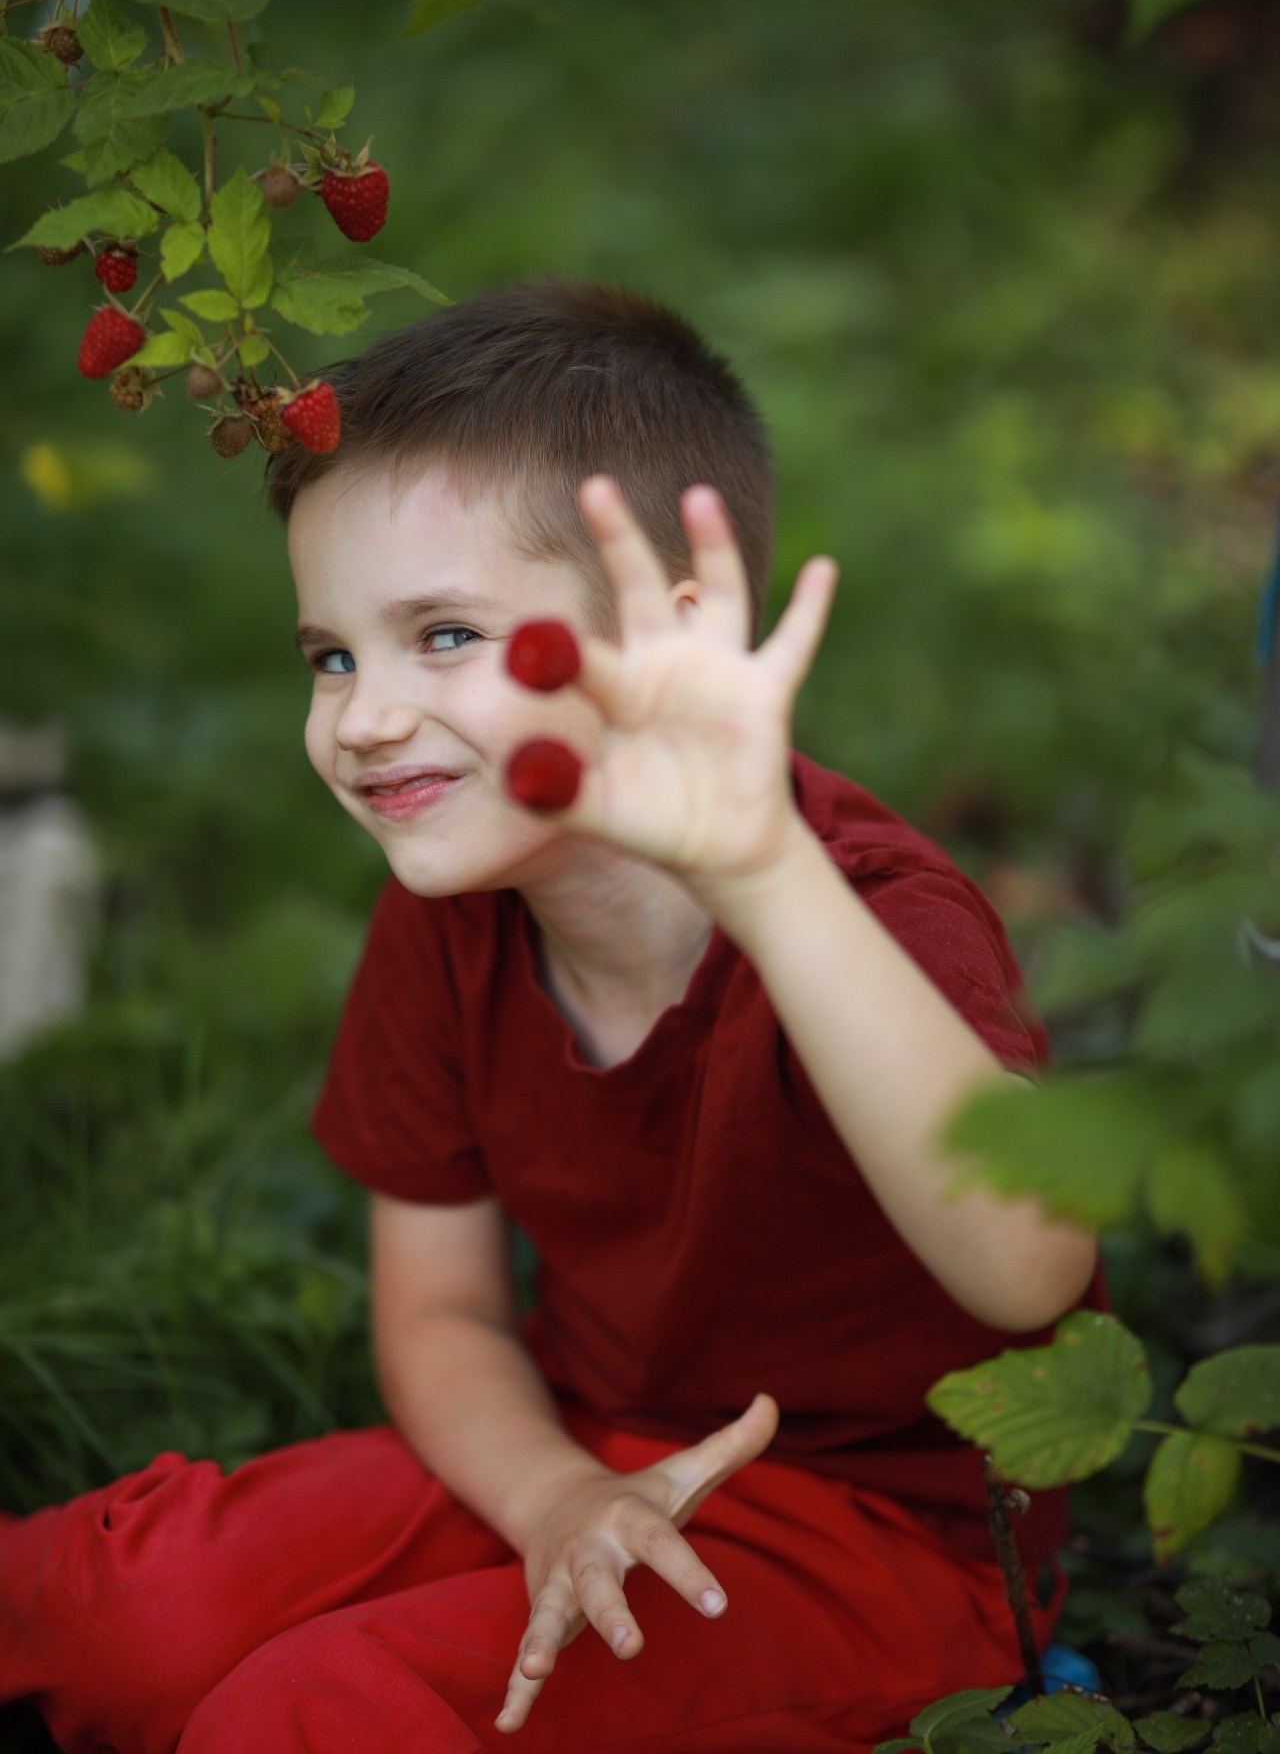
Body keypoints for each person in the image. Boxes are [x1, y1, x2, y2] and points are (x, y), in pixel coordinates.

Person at [0, 280, 1102, 1754]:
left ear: (669, 639)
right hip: (571, 1442)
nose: (362, 717)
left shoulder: (870, 918)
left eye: (445, 635)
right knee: (127, 1609)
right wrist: (555, 1494)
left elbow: (1031, 1265)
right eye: (332, 655)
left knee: (313, 1710)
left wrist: (761, 875)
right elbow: (442, 1310)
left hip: (880, 1541)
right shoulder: (454, 913)